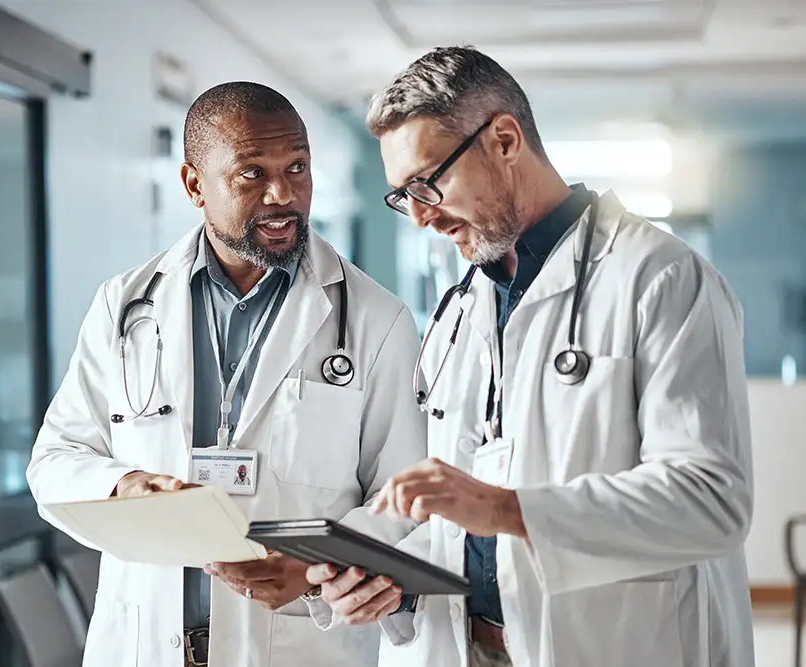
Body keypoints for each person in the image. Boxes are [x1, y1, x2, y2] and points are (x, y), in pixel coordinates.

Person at [307, 47, 755, 667]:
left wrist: (505, 509)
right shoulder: (458, 311)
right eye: (401, 196)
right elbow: (445, 512)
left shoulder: (660, 278)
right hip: (467, 647)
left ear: (505, 140)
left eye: (427, 183)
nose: (418, 217)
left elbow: (711, 502)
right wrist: (386, 582)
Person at [27, 81, 427, 667]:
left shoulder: (375, 319)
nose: (282, 194)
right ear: (194, 185)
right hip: (143, 647)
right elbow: (56, 460)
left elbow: (405, 500)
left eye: (297, 167)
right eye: (252, 174)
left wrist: (315, 568)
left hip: (298, 647)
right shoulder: (125, 305)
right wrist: (123, 486)